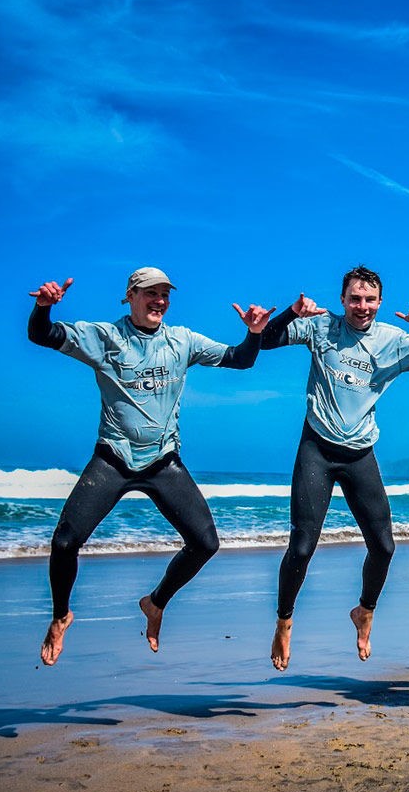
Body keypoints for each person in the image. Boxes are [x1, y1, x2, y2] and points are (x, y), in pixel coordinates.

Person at [28, 268, 273, 665]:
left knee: (206, 543)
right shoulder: (105, 337)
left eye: (165, 294)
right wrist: (43, 309)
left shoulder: (182, 340)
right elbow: (42, 335)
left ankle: (156, 602)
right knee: (64, 543)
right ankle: (60, 616)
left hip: (162, 459)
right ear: (130, 296)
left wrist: (255, 333)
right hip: (114, 457)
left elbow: (240, 360)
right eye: (150, 293)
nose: (159, 300)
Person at [261, 265, 409, 670]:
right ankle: (284, 620)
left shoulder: (392, 340)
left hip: (360, 453)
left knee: (384, 546)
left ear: (380, 303)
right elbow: (266, 341)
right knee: (302, 546)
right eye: (355, 299)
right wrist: (293, 312)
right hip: (317, 448)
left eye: (369, 300)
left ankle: (365, 611)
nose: (362, 306)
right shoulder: (321, 327)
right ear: (343, 299)